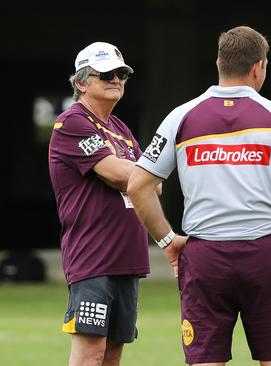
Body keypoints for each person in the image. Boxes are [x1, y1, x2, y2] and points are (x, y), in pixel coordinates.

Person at [127, 25, 271, 365]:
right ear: (259, 67)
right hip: (264, 254)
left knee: (206, 360)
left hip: (204, 255)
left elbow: (138, 184)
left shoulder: (180, 117)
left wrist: (168, 240)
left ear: (218, 63)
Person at [48, 41, 150, 366]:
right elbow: (120, 173)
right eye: (105, 73)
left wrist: (143, 177)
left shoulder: (121, 129)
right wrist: (144, 175)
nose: (116, 79)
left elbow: (151, 187)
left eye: (121, 73)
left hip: (127, 257)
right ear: (81, 82)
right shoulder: (73, 122)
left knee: (112, 355)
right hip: (94, 256)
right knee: (90, 354)